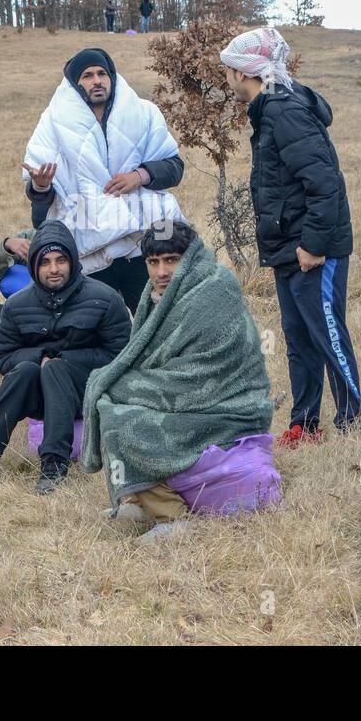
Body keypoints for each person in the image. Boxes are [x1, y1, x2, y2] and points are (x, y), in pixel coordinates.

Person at [82, 221, 277, 544]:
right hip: (186, 392)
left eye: (171, 259)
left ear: (189, 257)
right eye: (153, 262)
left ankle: (172, 516)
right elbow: (150, 356)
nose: (162, 271)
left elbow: (207, 370)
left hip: (226, 404)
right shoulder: (157, 293)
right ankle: (137, 499)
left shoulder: (215, 287)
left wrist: (129, 386)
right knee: (108, 394)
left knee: (122, 418)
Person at [223, 27, 361, 448]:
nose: (226, 80)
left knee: (326, 332)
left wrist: (313, 246)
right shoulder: (269, 112)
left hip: (312, 249)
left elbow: (324, 184)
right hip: (288, 249)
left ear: (243, 72)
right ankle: (305, 423)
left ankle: (350, 420)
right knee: (298, 338)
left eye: (228, 70)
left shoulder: (284, 112)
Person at [0, 220, 131, 496]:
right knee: (25, 370)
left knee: (56, 369)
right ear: (34, 267)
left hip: (88, 392)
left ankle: (54, 463)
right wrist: (39, 358)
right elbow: (1, 355)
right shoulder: (17, 305)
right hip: (38, 397)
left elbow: (122, 356)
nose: (53, 269)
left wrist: (64, 362)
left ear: (72, 261)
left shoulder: (104, 299)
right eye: (45, 261)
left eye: (61, 260)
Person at [22, 47, 185, 313]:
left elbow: (174, 167)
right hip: (88, 248)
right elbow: (42, 200)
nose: (97, 80)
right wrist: (41, 185)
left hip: (139, 243)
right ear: (75, 85)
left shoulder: (144, 113)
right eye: (87, 75)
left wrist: (139, 176)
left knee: (158, 319)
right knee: (97, 325)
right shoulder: (52, 124)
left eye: (102, 73)